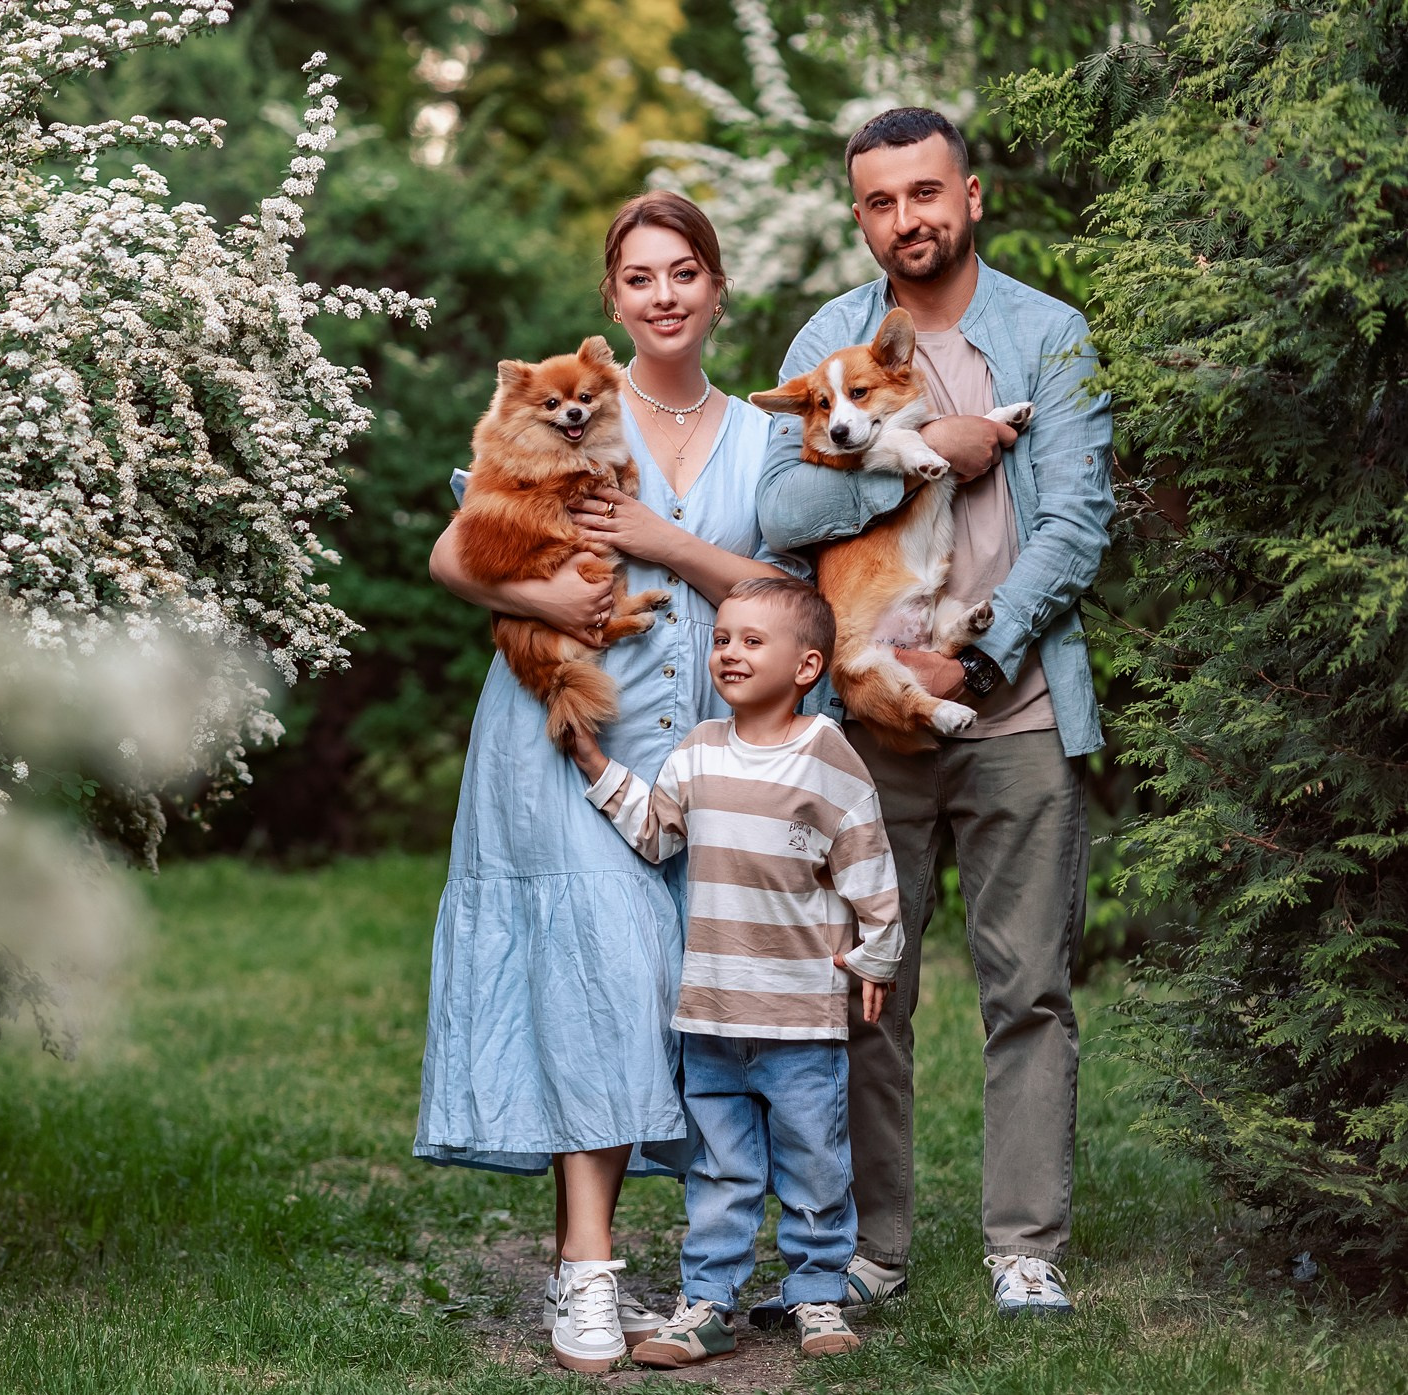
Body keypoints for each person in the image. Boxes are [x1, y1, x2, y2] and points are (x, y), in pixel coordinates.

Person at [416, 190, 796, 1374]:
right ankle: (586, 1272)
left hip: (700, 760)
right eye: (639, 277)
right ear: (612, 299)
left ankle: (685, 1262)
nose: (663, 295)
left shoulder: (763, 436)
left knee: (664, 1006)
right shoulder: (566, 402)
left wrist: (657, 542)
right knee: (601, 980)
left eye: (683, 272)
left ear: (716, 288)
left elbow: (789, 596)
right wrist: (546, 597)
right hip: (562, 738)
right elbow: (453, 551)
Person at [755, 107, 1116, 1319]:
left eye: (922, 192)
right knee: (866, 990)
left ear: (968, 195)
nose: (903, 218)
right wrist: (916, 451)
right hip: (869, 726)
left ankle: (1025, 1247)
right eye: (878, 200)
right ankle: (868, 1250)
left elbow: (1075, 522)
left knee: (1029, 991)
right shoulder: (830, 340)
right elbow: (777, 514)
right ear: (858, 216)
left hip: (1014, 713)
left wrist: (982, 658)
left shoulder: (1046, 335)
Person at [565, 576, 901, 1364]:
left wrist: (877, 951)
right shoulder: (697, 750)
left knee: (815, 1164)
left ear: (806, 666)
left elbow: (866, 854)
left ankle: (816, 1294)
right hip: (711, 1014)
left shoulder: (826, 753)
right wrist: (595, 763)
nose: (728, 652)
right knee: (718, 1171)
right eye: (721, 639)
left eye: (752, 640)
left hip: (799, 1017)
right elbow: (657, 833)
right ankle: (706, 1303)